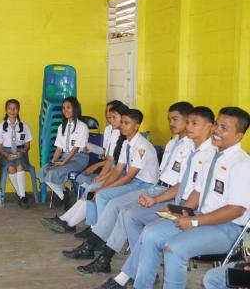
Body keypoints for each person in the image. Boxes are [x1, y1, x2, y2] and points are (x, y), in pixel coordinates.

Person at [120, 107, 250, 289]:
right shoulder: (212, 157)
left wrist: (195, 221)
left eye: (224, 127)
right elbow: (197, 192)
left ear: (239, 136)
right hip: (201, 216)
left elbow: (236, 209)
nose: (217, 130)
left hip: (227, 229)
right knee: (150, 233)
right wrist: (181, 211)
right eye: (217, 125)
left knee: (175, 249)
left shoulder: (242, 164)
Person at [95, 106, 216, 288]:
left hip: (190, 208)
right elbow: (180, 185)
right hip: (172, 197)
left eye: (193, 123)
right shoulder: (189, 148)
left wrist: (179, 210)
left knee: (148, 230)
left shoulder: (210, 155)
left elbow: (196, 195)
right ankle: (144, 266)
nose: (188, 127)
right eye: (188, 122)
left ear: (210, 127)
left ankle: (126, 275)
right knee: (130, 215)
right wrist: (155, 200)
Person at [41, 102, 128, 233]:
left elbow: (116, 164)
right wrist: (98, 168)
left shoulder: (126, 138)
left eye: (113, 116)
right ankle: (69, 221)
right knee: (87, 185)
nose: (109, 119)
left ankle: (78, 225)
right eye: (108, 116)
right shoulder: (114, 132)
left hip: (120, 174)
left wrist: (99, 174)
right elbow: (108, 156)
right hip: (111, 169)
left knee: (92, 190)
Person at [37, 97, 89, 208]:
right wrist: (53, 161)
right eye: (63, 108)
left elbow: (75, 149)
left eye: (68, 107)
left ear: (75, 108)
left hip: (79, 158)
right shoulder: (62, 127)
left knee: (53, 173)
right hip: (65, 157)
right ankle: (64, 194)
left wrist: (63, 162)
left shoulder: (82, 127)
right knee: (45, 170)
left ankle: (63, 197)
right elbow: (59, 148)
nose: (65, 110)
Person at [0, 99, 33, 209]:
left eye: (15, 108)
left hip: (20, 153)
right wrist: (6, 155)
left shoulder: (24, 126)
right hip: (5, 154)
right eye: (10, 108)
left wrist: (23, 151)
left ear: (18, 110)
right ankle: (22, 196)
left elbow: (27, 145)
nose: (12, 110)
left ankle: (21, 196)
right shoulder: (1, 126)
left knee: (20, 166)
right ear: (6, 110)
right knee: (11, 168)